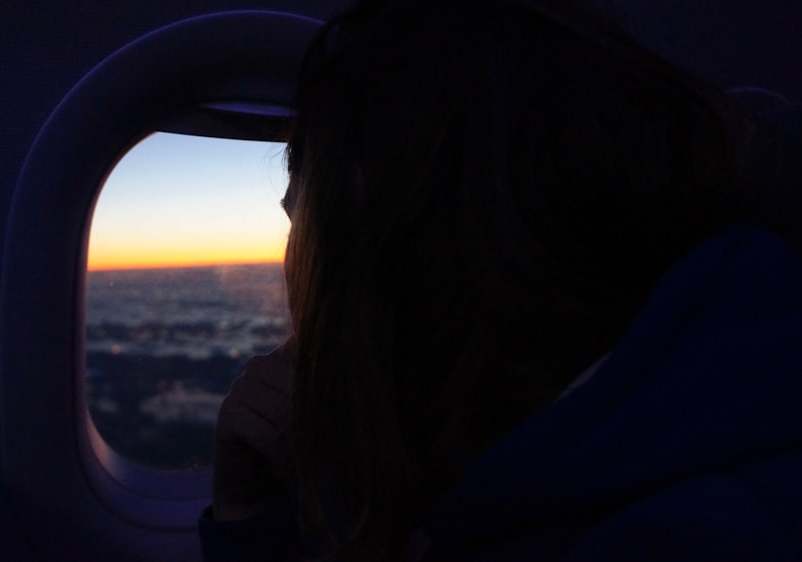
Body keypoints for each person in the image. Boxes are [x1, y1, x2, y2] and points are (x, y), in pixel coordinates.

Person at [199, 0, 802, 560]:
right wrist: (250, 511)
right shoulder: (508, 451)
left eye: (310, 232)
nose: (295, 273)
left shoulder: (692, 536)